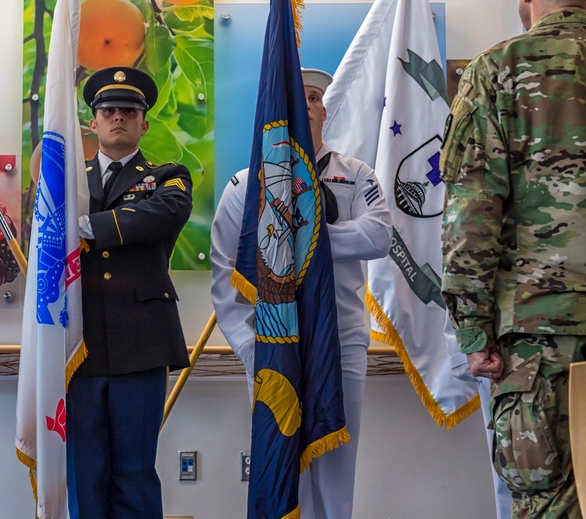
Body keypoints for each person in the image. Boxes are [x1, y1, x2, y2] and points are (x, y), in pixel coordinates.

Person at [441, 0, 586, 519]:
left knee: (547, 505)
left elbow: (472, 214)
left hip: (536, 341)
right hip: (539, 333)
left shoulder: (496, 71)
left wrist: (474, 334)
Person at [211, 68, 392, 519]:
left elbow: (380, 235)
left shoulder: (355, 175)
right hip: (274, 345)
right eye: (297, 97)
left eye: (313, 98)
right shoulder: (245, 186)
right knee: (283, 471)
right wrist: (252, 348)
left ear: (324, 111)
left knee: (335, 474)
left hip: (341, 340)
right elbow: (224, 274)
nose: (306, 105)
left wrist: (307, 236)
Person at [69, 66, 192, 519]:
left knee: (135, 473)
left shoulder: (168, 176)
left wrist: (85, 227)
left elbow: (160, 215)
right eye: (107, 110)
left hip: (141, 342)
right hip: (77, 345)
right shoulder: (68, 180)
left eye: (128, 110)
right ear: (93, 122)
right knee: (85, 471)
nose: (117, 116)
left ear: (144, 123)